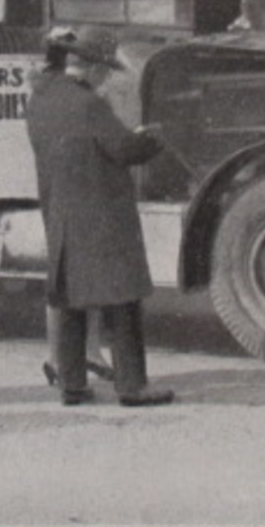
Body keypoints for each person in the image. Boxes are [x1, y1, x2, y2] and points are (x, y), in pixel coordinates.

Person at [26, 26, 174, 407]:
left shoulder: (39, 101)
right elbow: (123, 149)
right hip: (101, 213)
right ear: (90, 68)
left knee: (72, 300)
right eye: (105, 70)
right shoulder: (88, 103)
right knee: (123, 301)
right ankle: (132, 387)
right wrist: (150, 138)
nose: (107, 77)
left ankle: (72, 385)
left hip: (62, 212)